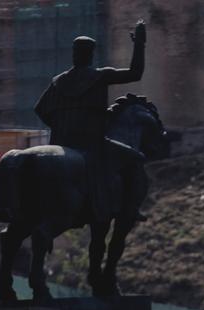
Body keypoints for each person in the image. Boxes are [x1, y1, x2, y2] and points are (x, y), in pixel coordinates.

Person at [34, 20, 148, 224]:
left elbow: (40, 109)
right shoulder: (100, 76)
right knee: (135, 159)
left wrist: (60, 126)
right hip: (92, 144)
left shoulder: (58, 81)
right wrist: (139, 44)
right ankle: (130, 209)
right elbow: (135, 73)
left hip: (61, 142)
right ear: (91, 54)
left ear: (74, 54)